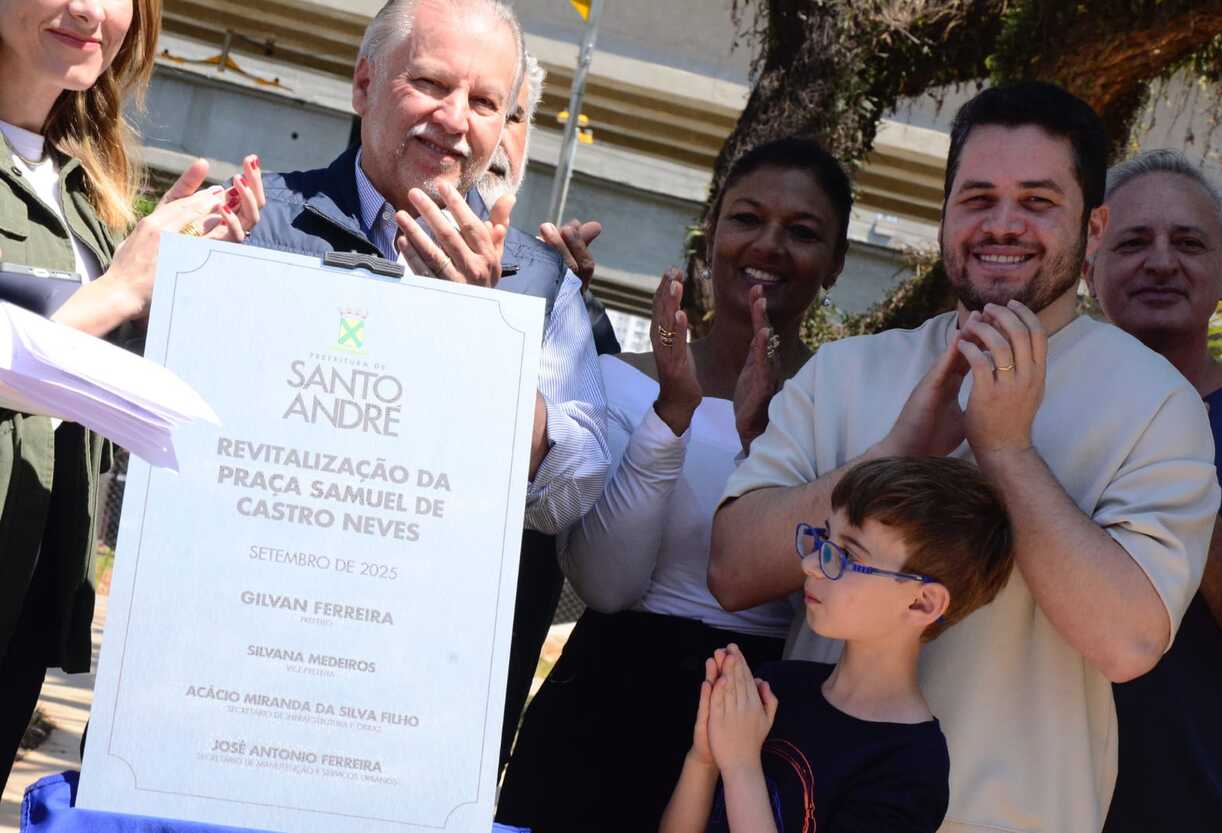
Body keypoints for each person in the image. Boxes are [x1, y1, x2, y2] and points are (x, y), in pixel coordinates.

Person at [708, 82, 1220, 833]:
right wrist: (897, 451)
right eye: (977, 198)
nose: (1002, 224)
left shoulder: (1157, 403)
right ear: (944, 214)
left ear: (1095, 226)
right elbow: (731, 569)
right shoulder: (848, 372)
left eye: (1038, 202)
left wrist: (1007, 450)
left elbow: (1130, 640)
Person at [243, 0, 610, 772]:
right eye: (431, 84)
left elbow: (573, 484)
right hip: (248, 658)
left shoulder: (539, 282)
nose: (455, 119)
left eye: (484, 103)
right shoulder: (258, 226)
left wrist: (479, 339)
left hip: (417, 697)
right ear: (364, 83)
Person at [495, 137, 851, 833]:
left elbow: (837, 594)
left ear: (836, 262)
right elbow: (608, 586)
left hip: (765, 725)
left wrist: (763, 441)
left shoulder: (852, 401)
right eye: (747, 219)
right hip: (602, 712)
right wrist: (671, 417)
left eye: (803, 232)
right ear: (711, 231)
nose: (770, 245)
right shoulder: (617, 379)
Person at [0, 0, 265, 791]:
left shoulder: (86, 192)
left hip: (28, 593)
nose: (89, 10)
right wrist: (119, 288)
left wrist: (192, 283)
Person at [661, 456, 1014, 833]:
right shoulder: (778, 685)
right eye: (824, 538)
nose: (812, 564)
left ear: (922, 602)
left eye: (846, 555)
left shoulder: (909, 766)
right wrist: (704, 759)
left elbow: (742, 767)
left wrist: (741, 766)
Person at [1084, 149, 1222, 833]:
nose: (1159, 261)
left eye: (1187, 242)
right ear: (1088, 269)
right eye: (1132, 241)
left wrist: (1168, 459)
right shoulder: (1019, 414)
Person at [477, 50, 619, 355]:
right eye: (483, 107)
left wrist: (563, 309)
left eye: (514, 118)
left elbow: (595, 398)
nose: (496, 136)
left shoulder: (553, 283)